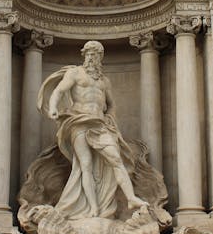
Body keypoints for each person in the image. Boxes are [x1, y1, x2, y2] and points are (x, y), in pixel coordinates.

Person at [38, 41, 146, 220]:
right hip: (79, 122)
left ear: (100, 58)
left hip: (100, 124)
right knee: (85, 165)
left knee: (116, 159)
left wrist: (111, 121)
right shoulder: (75, 73)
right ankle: (93, 208)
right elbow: (58, 91)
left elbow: (111, 105)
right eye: (88, 53)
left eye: (95, 54)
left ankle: (131, 198)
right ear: (84, 55)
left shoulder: (104, 81)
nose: (91, 57)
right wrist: (53, 107)